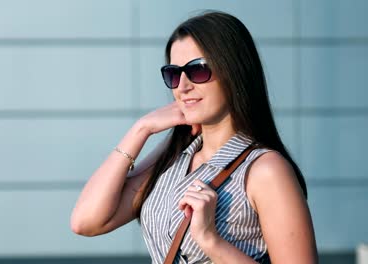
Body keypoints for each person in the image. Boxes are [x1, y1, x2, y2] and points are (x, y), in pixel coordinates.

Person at [71, 10, 318, 264]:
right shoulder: (175, 158)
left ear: (234, 72)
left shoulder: (265, 170)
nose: (183, 86)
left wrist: (210, 240)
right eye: (174, 74)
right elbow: (86, 221)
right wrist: (141, 129)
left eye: (198, 70)